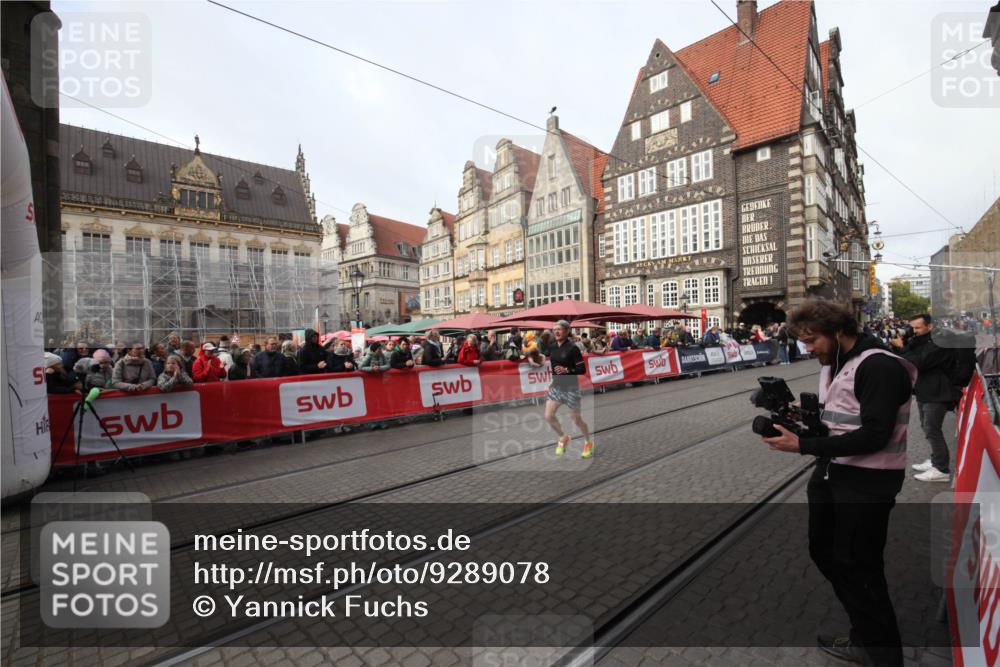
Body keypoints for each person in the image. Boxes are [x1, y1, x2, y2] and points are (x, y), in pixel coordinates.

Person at [762, 299, 915, 667]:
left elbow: (875, 434)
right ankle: (865, 633)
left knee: (860, 567)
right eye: (802, 341)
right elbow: (842, 418)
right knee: (827, 552)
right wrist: (802, 418)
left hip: (867, 482)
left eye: (812, 340)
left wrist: (803, 445)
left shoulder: (878, 366)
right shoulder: (837, 362)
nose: (807, 349)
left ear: (839, 331)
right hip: (833, 473)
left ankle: (882, 653)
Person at [890, 314, 962, 483]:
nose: (914, 331)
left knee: (932, 429)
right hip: (925, 390)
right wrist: (899, 345)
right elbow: (904, 359)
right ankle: (936, 459)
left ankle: (941, 469)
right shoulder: (920, 340)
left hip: (938, 392)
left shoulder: (940, 341)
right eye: (912, 327)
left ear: (929, 326)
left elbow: (919, 363)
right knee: (926, 426)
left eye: (918, 328)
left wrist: (903, 347)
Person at [544, 320, 594, 459]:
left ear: (567, 331)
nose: (556, 332)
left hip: (571, 388)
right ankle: (563, 437)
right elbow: (549, 361)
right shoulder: (552, 347)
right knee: (548, 416)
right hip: (556, 387)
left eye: (559, 329)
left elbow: (582, 369)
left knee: (576, 419)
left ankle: (588, 442)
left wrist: (567, 370)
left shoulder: (573, 348)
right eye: (554, 330)